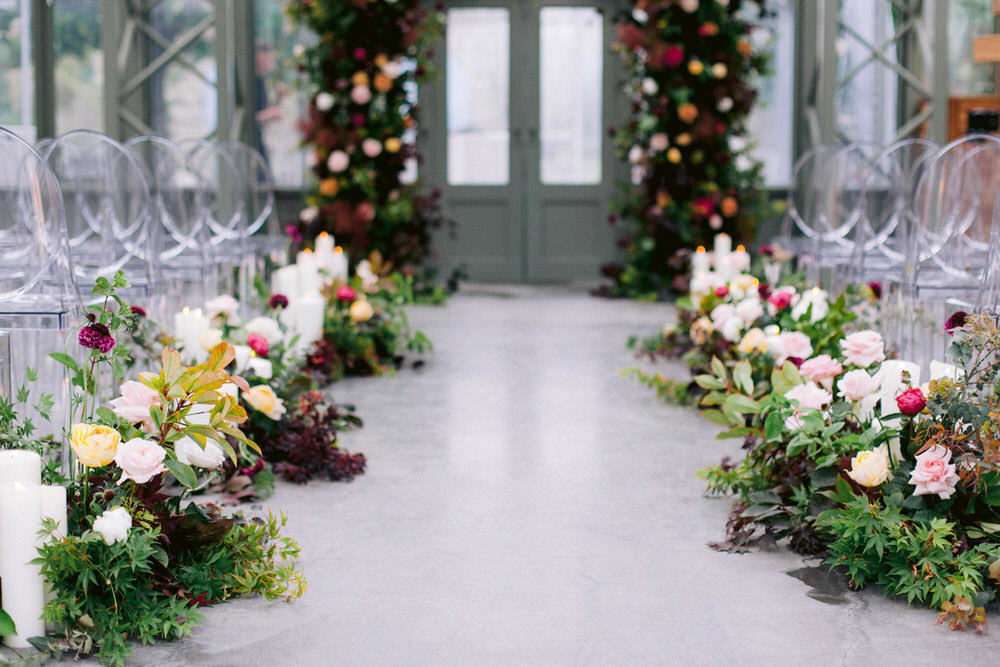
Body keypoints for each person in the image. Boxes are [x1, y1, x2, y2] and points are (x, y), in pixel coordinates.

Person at [254, 42, 285, 162]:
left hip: (258, 143)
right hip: (251, 145)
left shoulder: (260, 81)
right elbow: (249, 118)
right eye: (271, 57)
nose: (273, 62)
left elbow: (263, 113)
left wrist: (279, 98)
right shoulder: (252, 82)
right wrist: (271, 113)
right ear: (260, 56)